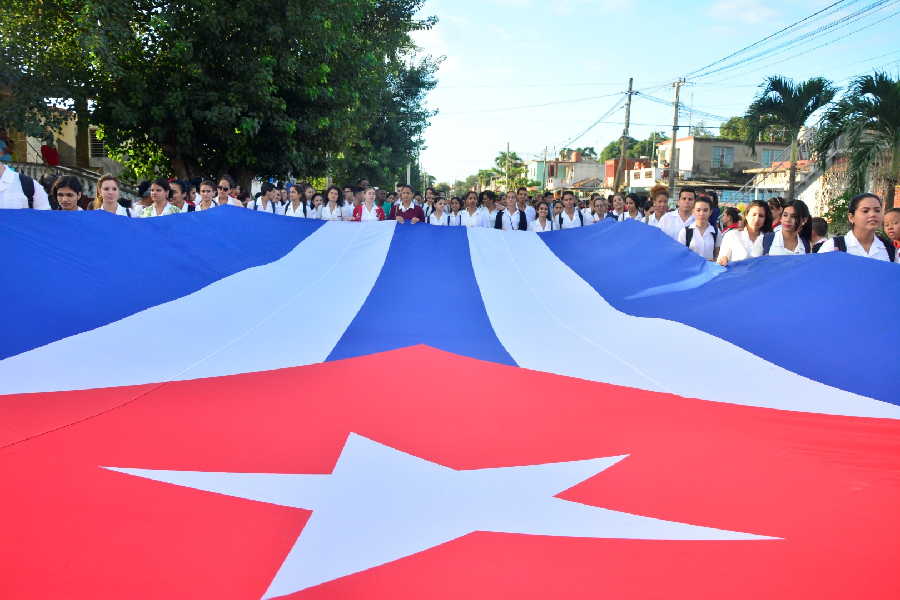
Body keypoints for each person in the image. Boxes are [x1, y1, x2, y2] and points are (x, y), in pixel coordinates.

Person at [818, 193, 895, 262]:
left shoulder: (889, 248)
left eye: (877, 211)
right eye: (865, 211)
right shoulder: (834, 246)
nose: (872, 214)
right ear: (851, 217)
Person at [717, 200, 771, 266]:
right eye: (754, 215)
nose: (757, 219)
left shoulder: (769, 239)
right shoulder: (732, 235)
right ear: (746, 215)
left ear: (765, 219)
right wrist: (724, 260)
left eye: (761, 216)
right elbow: (721, 260)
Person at [677, 196, 720, 260]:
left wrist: (714, 260)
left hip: (709, 269)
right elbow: (680, 256)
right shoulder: (685, 232)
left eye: (705, 210)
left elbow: (717, 254)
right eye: (698, 210)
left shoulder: (716, 231)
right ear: (693, 211)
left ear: (710, 212)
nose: (701, 213)